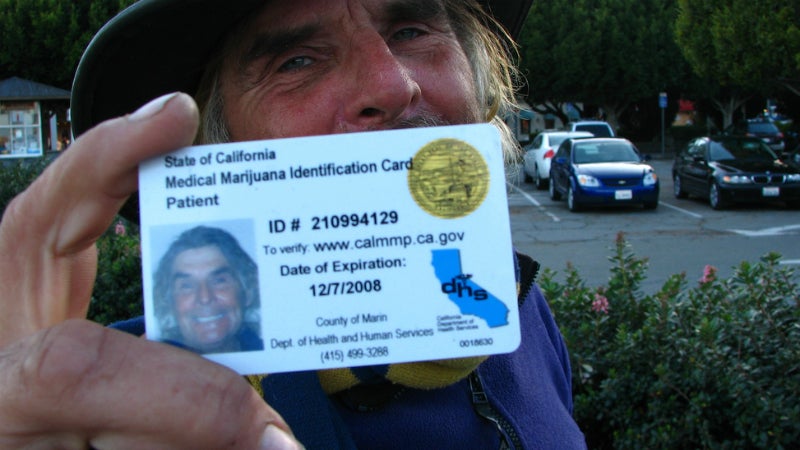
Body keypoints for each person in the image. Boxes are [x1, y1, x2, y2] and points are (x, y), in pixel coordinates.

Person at [0, 0, 587, 448]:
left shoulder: (516, 306)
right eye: (297, 60)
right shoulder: (134, 408)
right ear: (214, 148)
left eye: (411, 30)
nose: (390, 84)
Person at [152, 225, 263, 354]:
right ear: (169, 302)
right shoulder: (148, 366)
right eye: (187, 286)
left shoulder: (283, 362)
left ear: (247, 292)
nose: (205, 298)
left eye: (219, 281)